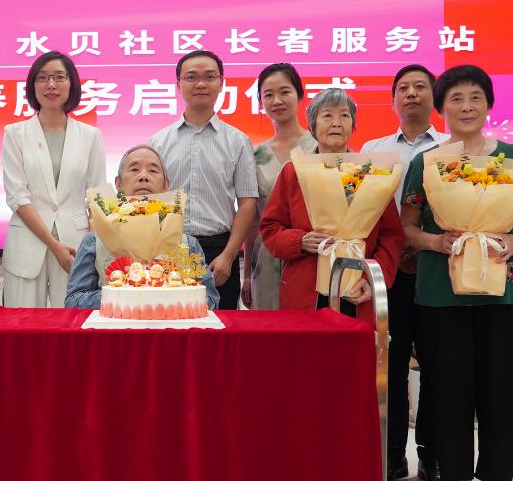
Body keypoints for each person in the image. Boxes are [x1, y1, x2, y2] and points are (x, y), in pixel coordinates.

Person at [400, 65, 513, 481]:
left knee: (502, 393)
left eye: (475, 97)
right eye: (456, 98)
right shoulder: (427, 162)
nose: (466, 106)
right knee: (449, 392)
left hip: (505, 288)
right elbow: (408, 225)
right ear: (442, 108)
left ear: (488, 104)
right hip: (441, 292)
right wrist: (436, 242)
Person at [361, 65, 449, 481]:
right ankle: (392, 453)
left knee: (437, 364)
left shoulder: (451, 147)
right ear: (393, 98)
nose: (412, 94)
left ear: (435, 96)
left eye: (420, 87)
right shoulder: (372, 149)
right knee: (389, 365)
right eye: (403, 88)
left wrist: (423, 243)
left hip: (438, 270)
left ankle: (432, 455)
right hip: (388, 273)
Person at [259, 87, 403, 311]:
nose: (336, 123)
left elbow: (391, 236)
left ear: (353, 125)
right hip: (306, 290)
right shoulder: (294, 171)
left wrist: (372, 279)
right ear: (313, 125)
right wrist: (300, 241)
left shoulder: (374, 172)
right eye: (327, 116)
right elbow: (270, 228)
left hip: (358, 288)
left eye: (344, 115)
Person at [149, 50, 258, 310]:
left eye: (209, 77)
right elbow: (149, 201)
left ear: (221, 83)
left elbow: (247, 203)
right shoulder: (158, 142)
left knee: (220, 328)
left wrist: (229, 256)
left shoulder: (238, 141)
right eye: (191, 77)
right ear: (178, 84)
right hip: (168, 248)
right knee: (167, 324)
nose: (200, 84)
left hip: (219, 252)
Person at [0, 51, 106, 308]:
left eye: (59, 77)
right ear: (32, 85)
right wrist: (54, 245)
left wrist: (94, 249)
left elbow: (98, 198)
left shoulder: (90, 135)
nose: (51, 85)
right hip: (27, 243)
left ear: (72, 83)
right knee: (22, 324)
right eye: (43, 78)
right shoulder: (15, 133)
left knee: (71, 322)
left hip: (75, 246)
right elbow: (17, 196)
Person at [64, 145, 220, 310]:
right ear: (118, 183)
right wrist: (124, 293)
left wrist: (169, 293)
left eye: (153, 171)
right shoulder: (94, 241)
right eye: (134, 169)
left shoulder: (188, 244)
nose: (144, 176)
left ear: (166, 185)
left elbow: (211, 300)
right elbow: (73, 301)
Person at [243, 63, 316, 310]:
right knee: (267, 327)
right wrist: (246, 273)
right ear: (260, 102)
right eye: (268, 95)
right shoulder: (254, 155)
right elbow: (253, 220)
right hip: (266, 258)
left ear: (299, 95)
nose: (277, 101)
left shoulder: (319, 148)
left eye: (285, 92)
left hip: (311, 254)